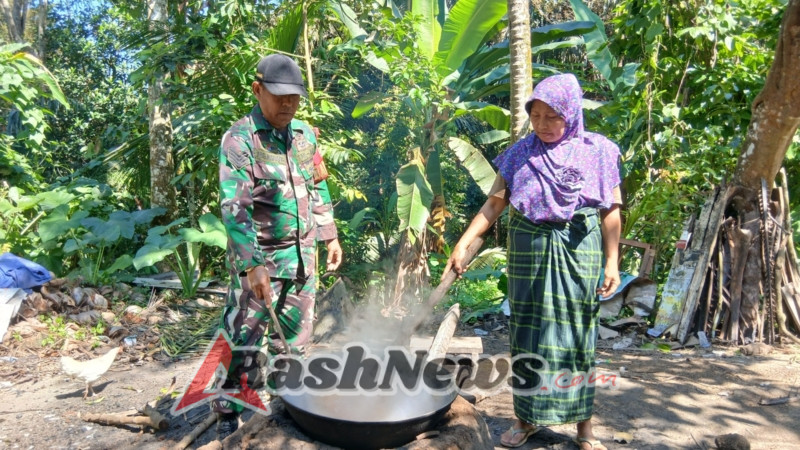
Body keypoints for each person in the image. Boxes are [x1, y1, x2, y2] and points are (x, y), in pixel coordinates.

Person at [443, 73, 621, 450]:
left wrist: (611, 262)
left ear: (571, 113)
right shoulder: (521, 153)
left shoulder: (598, 151)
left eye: (552, 116)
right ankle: (526, 421)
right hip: (528, 251)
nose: (543, 125)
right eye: (536, 116)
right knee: (527, 335)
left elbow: (611, 211)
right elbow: (494, 203)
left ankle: (584, 429)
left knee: (577, 336)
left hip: (578, 251)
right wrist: (462, 243)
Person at [213, 53, 343, 439]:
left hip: (304, 258)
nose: (288, 104)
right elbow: (235, 209)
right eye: (279, 96)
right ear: (258, 90)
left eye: (294, 97)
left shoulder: (306, 135)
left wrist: (330, 234)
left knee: (296, 343)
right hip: (262, 262)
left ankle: (288, 407)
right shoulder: (240, 140)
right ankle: (227, 411)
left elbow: (318, 185)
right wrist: (252, 266)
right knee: (243, 340)